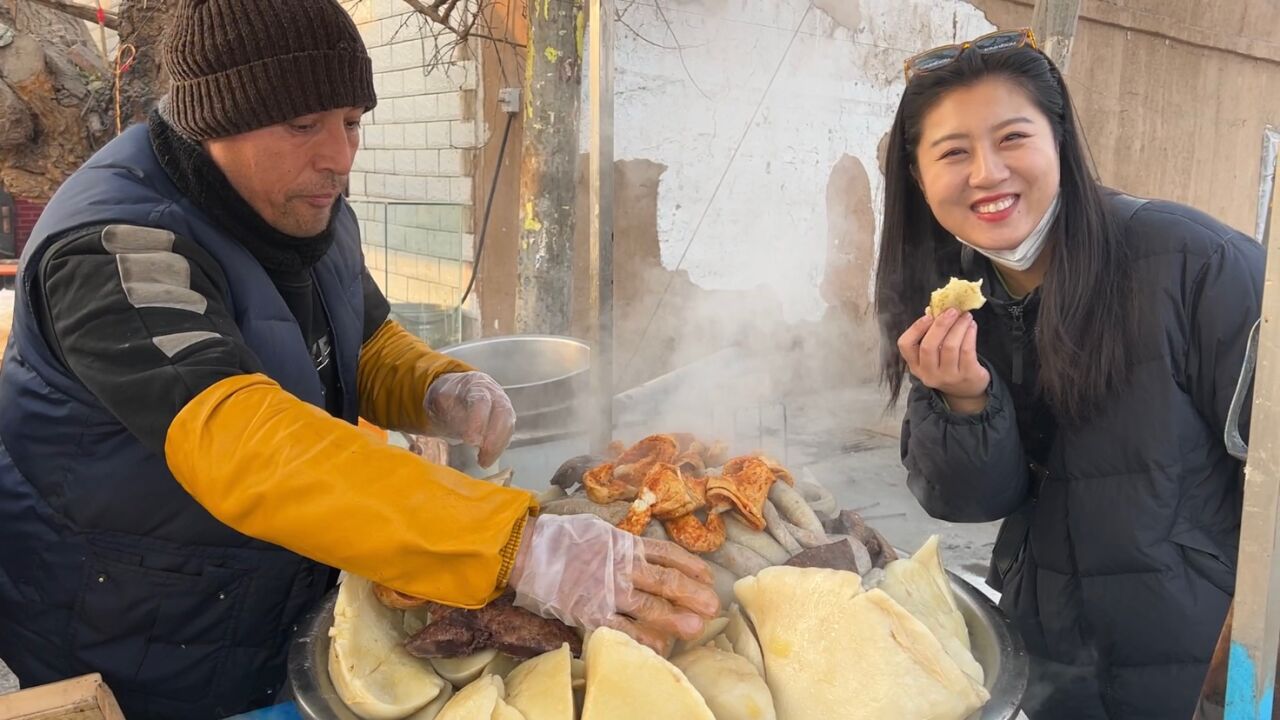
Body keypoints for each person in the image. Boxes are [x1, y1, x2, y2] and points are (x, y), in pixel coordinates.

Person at [0, 1, 717, 717]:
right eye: (302, 124)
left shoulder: (295, 196)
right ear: (212, 119)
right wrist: (523, 549)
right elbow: (239, 443)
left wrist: (433, 386)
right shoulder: (115, 248)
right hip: (135, 638)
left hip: (268, 602)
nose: (339, 157)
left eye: (350, 121)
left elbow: (360, 331)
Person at [876, 28, 1261, 720]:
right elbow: (970, 503)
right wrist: (966, 402)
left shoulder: (1190, 263)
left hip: (1202, 674)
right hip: (1049, 660)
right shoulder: (958, 296)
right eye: (953, 152)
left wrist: (1243, 661)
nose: (987, 174)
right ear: (917, 177)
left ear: (1059, 141)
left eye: (1012, 139)